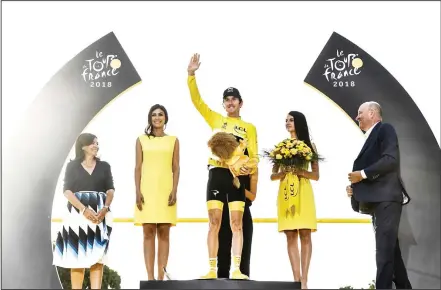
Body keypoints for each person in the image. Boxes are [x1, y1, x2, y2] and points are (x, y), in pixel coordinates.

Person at [187, 53, 259, 280]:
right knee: (214, 222)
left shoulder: (249, 127)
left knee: (236, 223)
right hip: (216, 173)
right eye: (227, 99)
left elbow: (255, 157)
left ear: (240, 102)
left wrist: (248, 167)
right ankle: (211, 269)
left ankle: (236, 269)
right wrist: (191, 75)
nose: (230, 102)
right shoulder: (216, 120)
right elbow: (197, 102)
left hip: (235, 177)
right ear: (224, 103)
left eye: (234, 99)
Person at [347, 101, 412, 289]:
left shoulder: (385, 129)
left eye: (360, 112)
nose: (357, 116)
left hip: (387, 200)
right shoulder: (371, 136)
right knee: (391, 254)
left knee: (384, 254)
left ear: (373, 113)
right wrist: (356, 188)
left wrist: (362, 174)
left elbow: (390, 160)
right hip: (379, 202)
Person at [53, 133, 115, 289]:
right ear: (83, 146)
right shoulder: (72, 166)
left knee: (98, 258)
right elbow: (67, 191)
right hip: (77, 215)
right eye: (93, 143)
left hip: (100, 214)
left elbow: (110, 190)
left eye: (97, 143)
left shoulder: (104, 166)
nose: (96, 145)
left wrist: (105, 208)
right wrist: (84, 209)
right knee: (77, 257)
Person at [270, 111, 319, 289]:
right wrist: (282, 173)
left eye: (291, 120)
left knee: (305, 234)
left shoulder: (309, 146)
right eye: (286, 120)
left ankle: (305, 280)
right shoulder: (280, 147)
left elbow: (316, 175)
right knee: (290, 235)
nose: (288, 123)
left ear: (299, 122)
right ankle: (296, 280)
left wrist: (300, 172)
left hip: (303, 190)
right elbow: (272, 175)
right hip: (285, 192)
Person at [134, 104, 180, 281]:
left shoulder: (173, 140)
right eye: (154, 115)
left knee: (164, 232)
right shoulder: (141, 140)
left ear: (165, 118)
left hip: (166, 190)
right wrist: (137, 191)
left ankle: (161, 277)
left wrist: (174, 189)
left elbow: (176, 167)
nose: (157, 117)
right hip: (146, 190)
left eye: (160, 114)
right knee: (147, 232)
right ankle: (150, 278)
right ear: (150, 118)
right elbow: (137, 167)